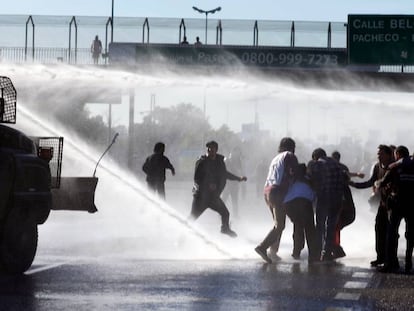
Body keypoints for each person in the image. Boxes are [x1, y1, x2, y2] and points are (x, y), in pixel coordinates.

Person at [190, 140, 247, 238]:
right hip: (201, 197)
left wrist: (239, 179)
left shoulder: (219, 161)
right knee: (192, 218)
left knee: (225, 213)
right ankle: (181, 237)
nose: (210, 150)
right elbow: (197, 178)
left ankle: (225, 228)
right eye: (208, 148)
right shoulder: (202, 161)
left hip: (213, 197)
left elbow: (225, 174)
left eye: (212, 148)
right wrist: (208, 185)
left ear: (216, 150)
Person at [349, 144, 394, 267]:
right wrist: (354, 185)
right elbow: (370, 182)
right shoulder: (377, 167)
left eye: (381, 154)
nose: (379, 156)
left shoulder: (394, 167)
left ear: (389, 155)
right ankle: (380, 257)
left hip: (394, 204)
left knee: (391, 232)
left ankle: (391, 260)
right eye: (378, 154)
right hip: (383, 203)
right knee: (379, 228)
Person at [255, 137, 298, 264]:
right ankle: (262, 247)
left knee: (277, 223)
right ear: (292, 147)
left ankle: (273, 252)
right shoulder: (289, 156)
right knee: (280, 225)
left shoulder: (276, 158)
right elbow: (293, 172)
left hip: (267, 191)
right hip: (277, 191)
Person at [377, 145, 414, 273]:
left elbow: (382, 182)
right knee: (411, 235)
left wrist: (379, 184)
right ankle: (409, 262)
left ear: (397, 154)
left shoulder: (395, 166)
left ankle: (390, 263)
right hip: (412, 205)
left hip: (397, 204)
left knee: (392, 234)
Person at [308, 148, 346, 261]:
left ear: (315, 156)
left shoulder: (318, 164)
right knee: (331, 227)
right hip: (337, 200)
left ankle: (317, 252)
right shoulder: (338, 165)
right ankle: (327, 252)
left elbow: (311, 178)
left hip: (324, 198)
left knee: (320, 226)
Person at [331, 150, 364, 259]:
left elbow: (346, 176)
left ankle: (336, 248)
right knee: (335, 227)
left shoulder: (335, 169)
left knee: (335, 226)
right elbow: (347, 176)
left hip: (342, 204)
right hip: (342, 203)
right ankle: (336, 248)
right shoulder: (339, 169)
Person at [283, 163, 319, 263]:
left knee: (298, 226)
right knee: (310, 229)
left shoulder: (292, 179)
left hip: (289, 204)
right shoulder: (309, 179)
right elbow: (314, 194)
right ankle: (313, 254)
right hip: (305, 202)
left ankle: (296, 252)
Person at [222, 147, 245, 218]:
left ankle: (235, 215)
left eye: (238, 153)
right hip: (227, 184)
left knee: (235, 201)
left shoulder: (238, 161)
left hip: (235, 184)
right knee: (223, 200)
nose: (237, 154)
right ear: (233, 152)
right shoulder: (227, 160)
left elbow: (241, 171)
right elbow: (224, 171)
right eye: (237, 152)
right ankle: (220, 213)